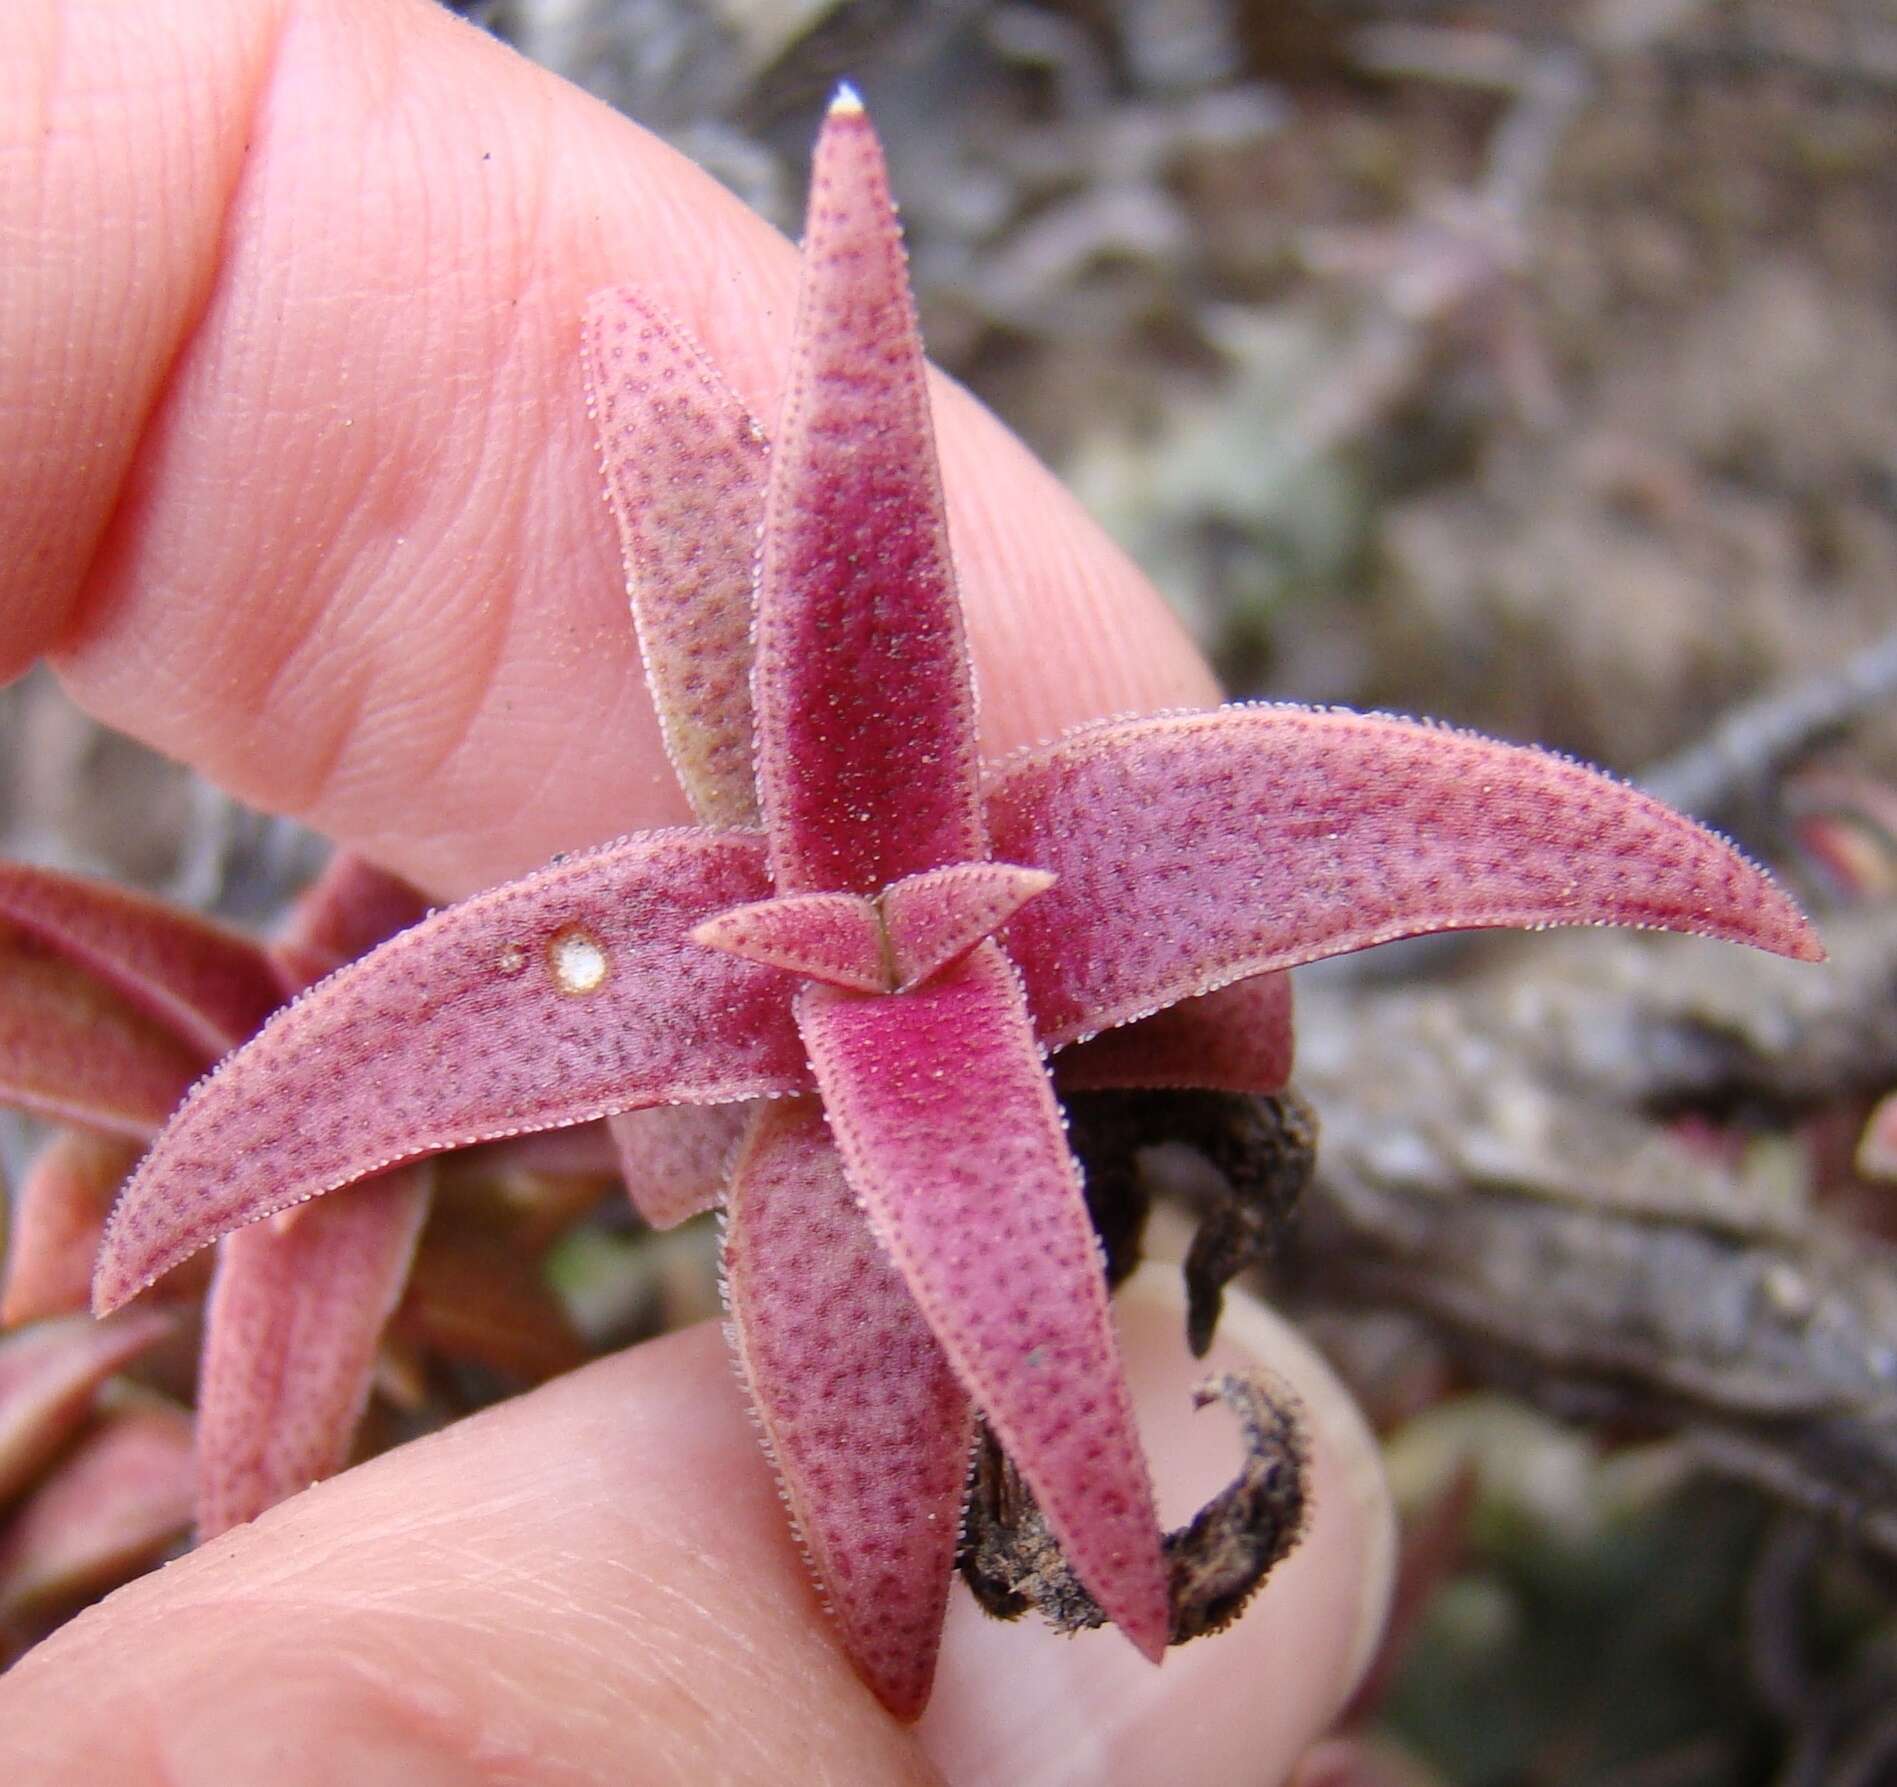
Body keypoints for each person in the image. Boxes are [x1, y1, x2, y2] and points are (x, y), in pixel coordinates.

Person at [0, 4, 1392, 1780]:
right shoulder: (707, 970)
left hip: (896, 984)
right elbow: (317, 1101)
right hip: (747, 1000)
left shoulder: (995, 886)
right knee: (285, 1145)